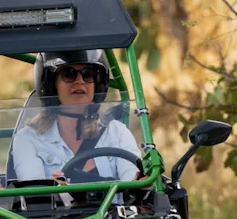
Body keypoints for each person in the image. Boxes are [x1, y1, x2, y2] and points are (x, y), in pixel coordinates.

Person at [9, 50, 140, 183]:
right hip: (59, 204)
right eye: (68, 74)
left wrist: (140, 182)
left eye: (88, 74)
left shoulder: (117, 132)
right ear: (52, 84)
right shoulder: (28, 139)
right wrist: (57, 193)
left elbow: (133, 180)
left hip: (113, 204)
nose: (79, 81)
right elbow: (35, 195)